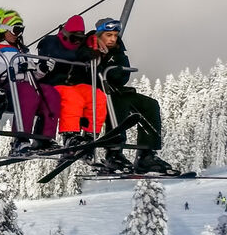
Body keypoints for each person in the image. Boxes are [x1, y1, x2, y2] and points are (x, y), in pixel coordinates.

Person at [95, 17, 178, 175]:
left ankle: (146, 154)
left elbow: (123, 76)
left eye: (115, 35)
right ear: (99, 35)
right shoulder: (89, 48)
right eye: (108, 35)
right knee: (117, 103)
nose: (113, 39)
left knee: (150, 104)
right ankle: (113, 153)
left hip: (115, 90)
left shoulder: (118, 51)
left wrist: (114, 65)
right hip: (96, 92)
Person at [0, 8, 61, 155]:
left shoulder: (21, 51)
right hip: (5, 86)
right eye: (16, 30)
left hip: (25, 85)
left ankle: (44, 138)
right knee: (28, 92)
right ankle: (20, 139)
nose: (19, 34)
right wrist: (17, 68)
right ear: (5, 29)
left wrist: (41, 69)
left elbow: (32, 73)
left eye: (21, 30)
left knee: (50, 92)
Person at [37, 15, 107, 160]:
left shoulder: (80, 47)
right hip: (54, 83)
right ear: (65, 35)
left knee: (97, 96)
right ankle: (70, 135)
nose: (77, 42)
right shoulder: (50, 41)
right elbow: (54, 54)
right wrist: (81, 55)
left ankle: (90, 134)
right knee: (72, 98)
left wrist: (91, 49)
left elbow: (84, 54)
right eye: (74, 38)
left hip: (74, 83)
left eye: (80, 39)